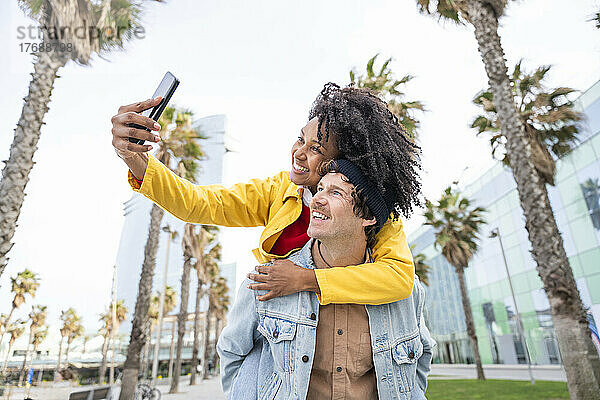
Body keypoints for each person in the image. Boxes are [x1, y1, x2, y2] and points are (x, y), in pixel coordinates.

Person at [110, 82, 422, 305]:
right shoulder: (279, 190)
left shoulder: (369, 210)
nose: (298, 153)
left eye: (316, 149)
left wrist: (304, 280)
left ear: (342, 162)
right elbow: (199, 203)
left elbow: (398, 278)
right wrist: (134, 158)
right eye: (299, 139)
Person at [217, 159, 434, 400]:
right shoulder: (269, 278)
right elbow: (232, 352)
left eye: (336, 192)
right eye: (320, 188)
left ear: (368, 217)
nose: (317, 199)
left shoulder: (405, 291)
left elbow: (421, 357)